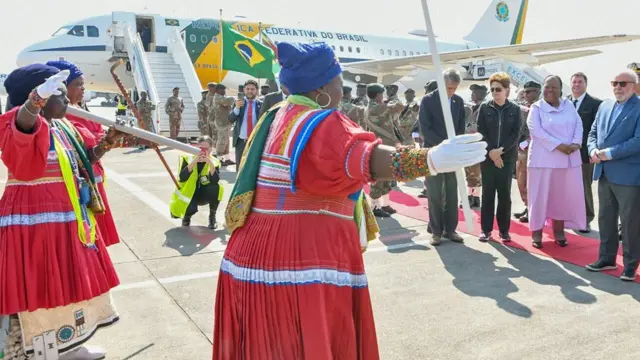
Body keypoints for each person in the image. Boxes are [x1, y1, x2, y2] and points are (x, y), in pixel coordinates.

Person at [212, 41, 487, 360]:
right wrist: (431, 160)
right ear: (321, 89)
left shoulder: (278, 115)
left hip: (248, 261)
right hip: (294, 264)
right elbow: (364, 158)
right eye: (337, 80)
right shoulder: (321, 123)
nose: (341, 88)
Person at [0, 64, 127, 359]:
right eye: (59, 93)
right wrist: (34, 102)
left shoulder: (63, 126)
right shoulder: (16, 124)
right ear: (37, 97)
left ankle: (71, 346)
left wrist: (106, 143)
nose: (68, 100)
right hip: (36, 225)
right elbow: (24, 124)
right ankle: (46, 351)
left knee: (68, 291)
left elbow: (81, 164)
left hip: (66, 220)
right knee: (44, 292)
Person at [46, 60, 121, 248]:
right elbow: (87, 150)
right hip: (81, 185)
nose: (82, 89)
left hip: (94, 181)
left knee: (96, 235)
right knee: (88, 236)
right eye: (77, 84)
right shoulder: (63, 117)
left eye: (83, 84)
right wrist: (106, 139)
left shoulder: (80, 110)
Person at [586, 69, 640, 281]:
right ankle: (607, 259)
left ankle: (630, 265)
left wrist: (608, 153)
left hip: (629, 176)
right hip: (604, 173)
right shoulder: (605, 106)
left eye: (623, 83)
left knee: (630, 223)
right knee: (606, 219)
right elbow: (592, 133)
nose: (618, 87)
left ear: (633, 86)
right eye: (615, 83)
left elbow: (637, 140)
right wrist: (592, 150)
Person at [526, 75, 585, 248]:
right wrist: (559, 145)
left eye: (554, 87)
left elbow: (578, 125)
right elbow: (536, 131)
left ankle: (559, 231)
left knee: (561, 197)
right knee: (539, 197)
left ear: (561, 90)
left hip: (567, 159)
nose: (550, 90)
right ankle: (536, 232)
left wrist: (575, 143)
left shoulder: (569, 106)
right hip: (542, 161)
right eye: (547, 86)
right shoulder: (536, 108)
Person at [419, 69, 467, 245]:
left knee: (452, 192)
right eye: (448, 87)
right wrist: (443, 146)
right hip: (434, 152)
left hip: (452, 154)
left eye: (454, 88)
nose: (451, 91)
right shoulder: (428, 100)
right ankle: (436, 231)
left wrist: (456, 145)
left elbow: (461, 126)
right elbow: (425, 127)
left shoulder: (458, 101)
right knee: (434, 192)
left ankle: (450, 229)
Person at [476, 73, 522, 242]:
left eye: (498, 89)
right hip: (488, 159)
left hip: (506, 158)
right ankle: (486, 230)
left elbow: (515, 134)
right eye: (492, 89)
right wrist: (492, 153)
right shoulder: (485, 108)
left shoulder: (515, 109)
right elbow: (481, 131)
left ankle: (504, 230)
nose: (495, 93)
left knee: (504, 195)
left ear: (507, 90)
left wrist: (500, 151)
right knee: (487, 194)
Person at [567, 72, 602, 233]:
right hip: (564, 153)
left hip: (584, 154)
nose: (576, 85)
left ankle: (586, 218)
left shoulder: (595, 104)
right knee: (566, 187)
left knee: (583, 187)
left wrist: (592, 150)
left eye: (580, 82)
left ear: (585, 84)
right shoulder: (564, 102)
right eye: (574, 82)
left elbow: (597, 131)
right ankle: (570, 216)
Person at [366, 83, 404, 217]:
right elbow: (400, 106)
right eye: (382, 93)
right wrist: (394, 96)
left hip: (384, 146)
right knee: (379, 178)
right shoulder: (377, 108)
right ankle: (375, 206)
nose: (383, 96)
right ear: (377, 96)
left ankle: (385, 204)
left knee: (387, 177)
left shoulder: (375, 107)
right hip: (380, 148)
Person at [170, 136, 222, 229]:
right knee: (190, 207)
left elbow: (215, 180)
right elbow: (182, 177)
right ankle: (186, 217)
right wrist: (194, 161)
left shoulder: (214, 161)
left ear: (210, 150)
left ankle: (212, 218)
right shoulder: (187, 159)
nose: (203, 151)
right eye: (200, 148)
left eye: (206, 149)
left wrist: (209, 163)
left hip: (204, 194)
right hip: (190, 194)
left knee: (216, 187)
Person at [514, 81, 541, 223]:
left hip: (533, 150)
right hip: (521, 151)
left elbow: (540, 132)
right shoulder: (523, 108)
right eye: (525, 91)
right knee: (521, 181)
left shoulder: (541, 108)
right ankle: (527, 205)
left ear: (537, 92)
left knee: (532, 182)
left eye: (530, 91)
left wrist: (526, 143)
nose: (526, 94)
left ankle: (533, 210)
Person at [462, 83, 488, 208]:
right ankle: (474, 197)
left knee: (475, 172)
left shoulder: (487, 107)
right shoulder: (467, 107)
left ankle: (472, 197)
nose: (474, 95)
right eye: (473, 93)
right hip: (467, 143)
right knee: (469, 171)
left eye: (475, 93)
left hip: (478, 143)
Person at [228, 79, 262, 171]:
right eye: (247, 89)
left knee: (254, 165)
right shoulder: (238, 103)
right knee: (240, 166)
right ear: (244, 90)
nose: (250, 91)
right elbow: (231, 119)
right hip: (241, 141)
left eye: (252, 89)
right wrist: (237, 108)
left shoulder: (261, 105)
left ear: (257, 90)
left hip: (255, 140)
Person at [213, 84, 235, 166]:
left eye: (224, 89)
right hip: (221, 123)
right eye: (222, 89)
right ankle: (219, 159)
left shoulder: (221, 97)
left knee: (226, 142)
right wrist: (235, 98)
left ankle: (227, 159)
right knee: (222, 141)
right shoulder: (218, 97)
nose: (224, 91)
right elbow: (227, 101)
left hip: (225, 122)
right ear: (217, 90)